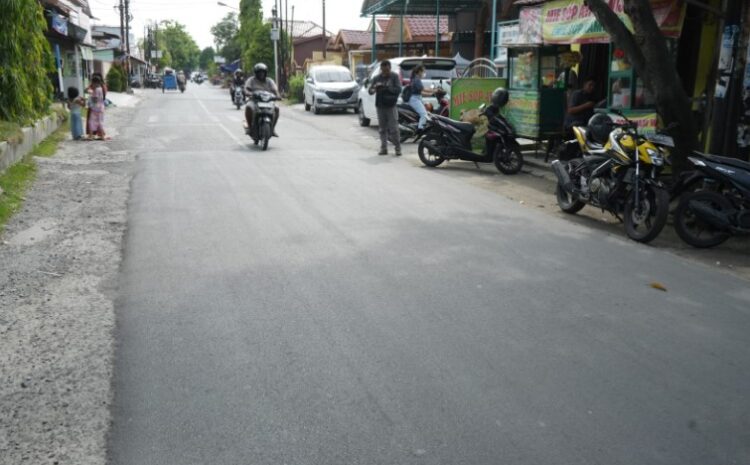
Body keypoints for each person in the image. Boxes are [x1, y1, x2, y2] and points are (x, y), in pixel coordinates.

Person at [368, 60, 402, 156]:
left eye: (386, 70)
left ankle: (397, 148)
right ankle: (384, 148)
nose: (385, 72)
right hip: (380, 106)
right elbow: (370, 91)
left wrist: (387, 87)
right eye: (383, 70)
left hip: (391, 106)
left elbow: (399, 89)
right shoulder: (376, 78)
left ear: (390, 68)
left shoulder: (394, 77)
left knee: (394, 129)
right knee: (382, 129)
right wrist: (375, 87)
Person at [244, 63, 280, 137]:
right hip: (254, 100)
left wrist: (278, 95)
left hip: (268, 100)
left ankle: (272, 128)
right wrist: (248, 93)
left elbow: (275, 90)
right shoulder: (251, 80)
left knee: (276, 108)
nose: (261, 74)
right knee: (248, 107)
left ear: (265, 73)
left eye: (263, 72)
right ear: (256, 73)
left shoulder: (269, 81)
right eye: (259, 72)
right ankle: (250, 127)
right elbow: (246, 89)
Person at [406, 65, 436, 135]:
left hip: (416, 98)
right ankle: (420, 129)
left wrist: (432, 92)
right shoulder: (416, 79)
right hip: (415, 99)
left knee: (426, 112)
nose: (424, 73)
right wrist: (434, 90)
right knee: (424, 114)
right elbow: (423, 89)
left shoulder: (416, 78)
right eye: (423, 71)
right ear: (419, 72)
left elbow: (421, 92)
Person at [87, 75, 107, 140]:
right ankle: (102, 136)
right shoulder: (101, 88)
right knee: (100, 122)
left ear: (95, 83)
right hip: (101, 108)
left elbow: (95, 99)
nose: (91, 84)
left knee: (91, 121)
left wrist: (90, 95)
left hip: (95, 108)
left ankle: (91, 136)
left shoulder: (96, 90)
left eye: (92, 83)